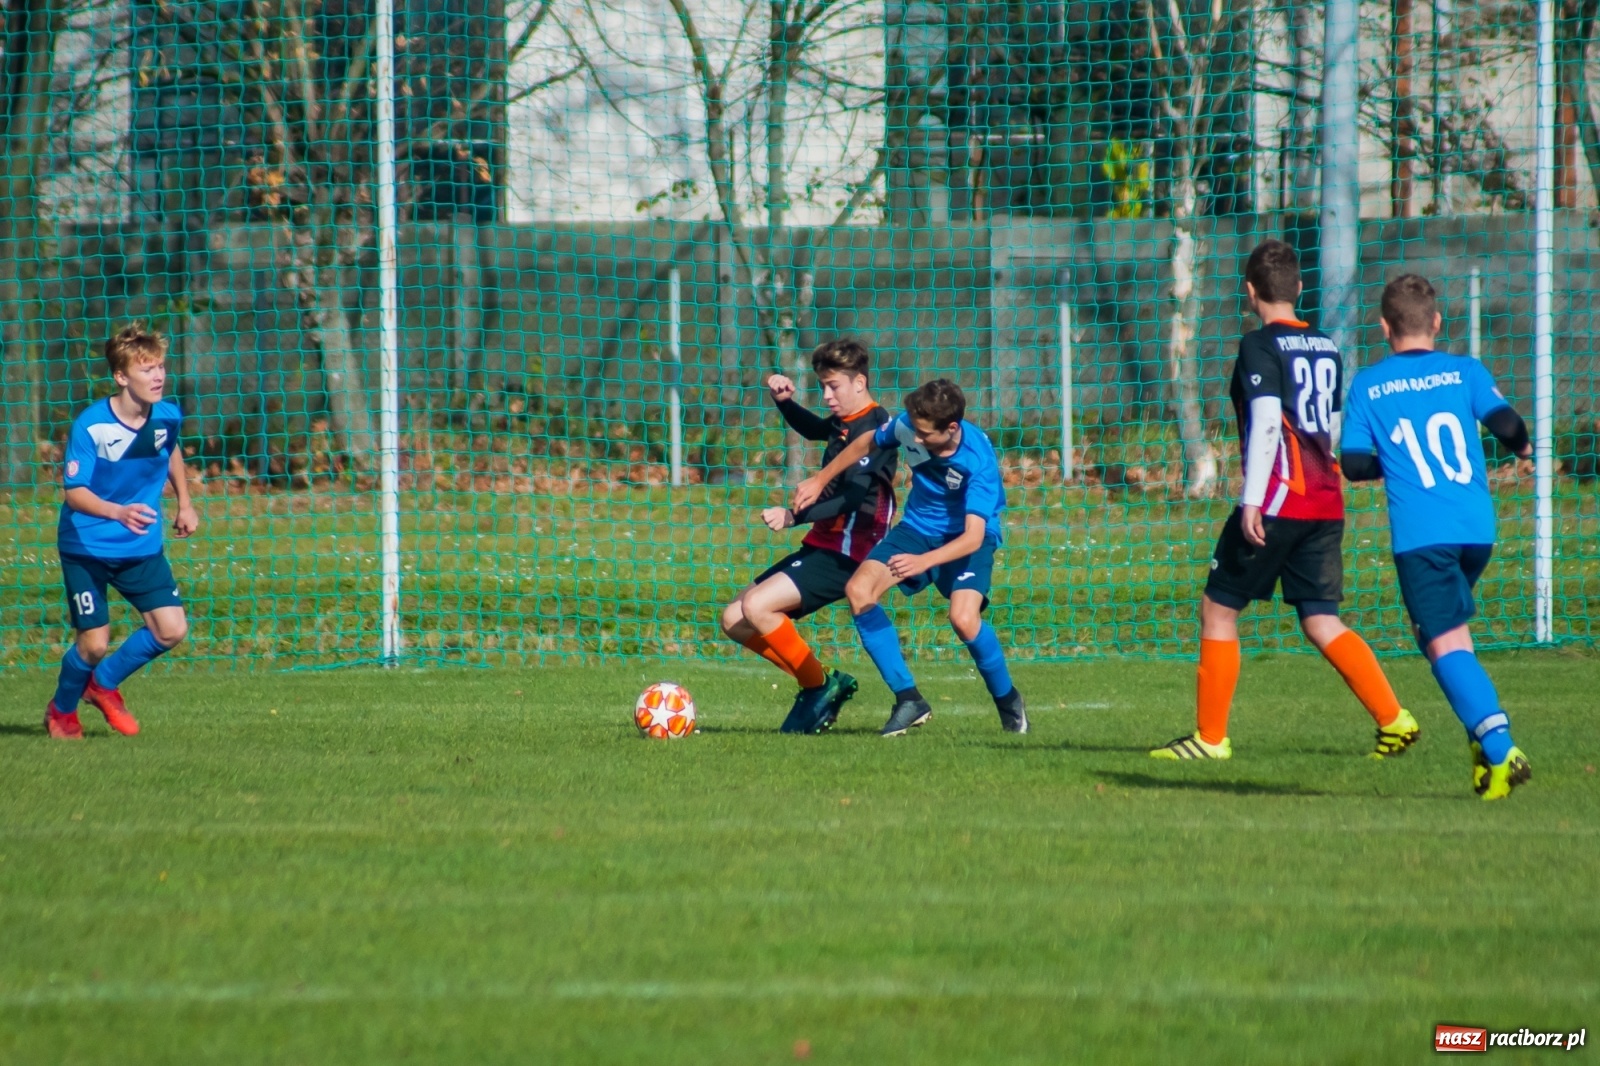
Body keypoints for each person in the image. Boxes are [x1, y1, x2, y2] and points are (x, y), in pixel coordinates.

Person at [1152, 239, 1416, 760]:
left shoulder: (1258, 344)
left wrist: (1252, 501)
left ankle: (1209, 739)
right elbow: (1330, 427)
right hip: (1325, 501)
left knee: (1218, 609)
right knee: (1321, 619)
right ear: (1298, 286)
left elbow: (1268, 420)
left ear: (1250, 292)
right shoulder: (1325, 345)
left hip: (1278, 500)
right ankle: (1394, 718)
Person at [1340, 274, 1533, 800]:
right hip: (1476, 530)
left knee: (1443, 640)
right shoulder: (1465, 370)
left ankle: (1499, 744)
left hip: (1423, 536)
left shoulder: (1369, 384)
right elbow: (1509, 427)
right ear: (1437, 322)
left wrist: (1394, 462)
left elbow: (1353, 464)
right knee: (1440, 634)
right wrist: (1522, 448)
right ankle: (1482, 750)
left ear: (1384, 327)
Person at [793, 378, 1026, 737]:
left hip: (967, 539)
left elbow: (973, 536)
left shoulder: (977, 461)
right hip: (917, 529)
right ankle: (909, 699)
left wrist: (923, 562)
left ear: (951, 428)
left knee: (964, 619)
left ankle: (1008, 700)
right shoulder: (910, 424)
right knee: (859, 591)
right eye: (913, 429)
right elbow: (867, 441)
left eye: (924, 434)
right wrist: (820, 479)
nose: (914, 438)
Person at [720, 338, 897, 733]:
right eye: (822, 386)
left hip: (850, 553)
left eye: (833, 386)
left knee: (758, 608)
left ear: (859, 382)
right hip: (824, 545)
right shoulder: (845, 421)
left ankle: (818, 689)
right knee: (734, 619)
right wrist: (784, 402)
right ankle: (822, 682)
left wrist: (793, 516)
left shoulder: (876, 427)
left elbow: (853, 499)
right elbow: (816, 428)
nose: (826, 396)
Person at [45, 325, 197, 739]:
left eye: (160, 367)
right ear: (121, 376)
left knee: (171, 629)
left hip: (140, 546)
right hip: (87, 546)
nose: (158, 376)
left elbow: (170, 448)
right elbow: (75, 492)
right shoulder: (92, 425)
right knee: (94, 643)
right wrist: (117, 512)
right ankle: (61, 712)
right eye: (147, 369)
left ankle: (102, 685)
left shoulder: (167, 414)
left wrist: (185, 502)